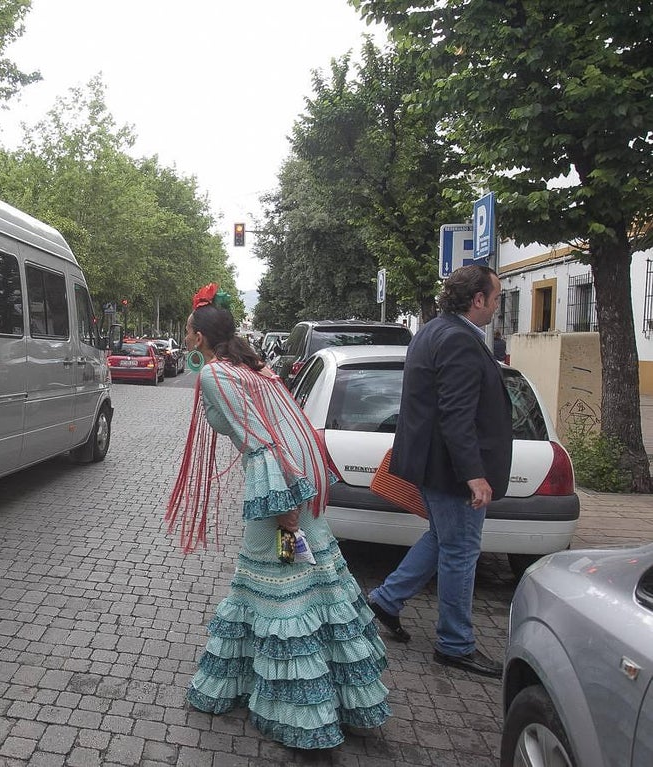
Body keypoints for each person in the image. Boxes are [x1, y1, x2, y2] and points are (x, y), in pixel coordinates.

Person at [166, 283, 390, 750]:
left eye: (188, 330)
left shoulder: (218, 376)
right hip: (294, 483)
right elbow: (285, 427)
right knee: (312, 583)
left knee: (283, 594)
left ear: (202, 337)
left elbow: (260, 440)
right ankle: (332, 697)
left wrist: (284, 509)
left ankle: (302, 715)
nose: (186, 337)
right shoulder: (254, 368)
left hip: (277, 494)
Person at [367, 264, 512, 678]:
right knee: (461, 551)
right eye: (496, 298)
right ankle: (454, 643)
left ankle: (385, 601)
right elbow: (455, 414)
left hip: (435, 465)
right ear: (478, 299)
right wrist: (474, 474)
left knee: (444, 540)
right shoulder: (459, 340)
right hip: (451, 471)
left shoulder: (433, 330)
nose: (497, 306)